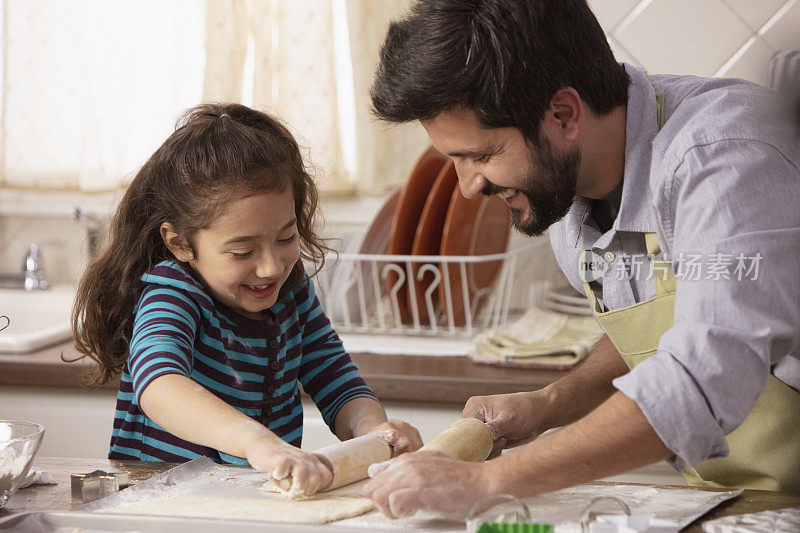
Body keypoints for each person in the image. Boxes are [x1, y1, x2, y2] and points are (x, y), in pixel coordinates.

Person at [364, 0, 800, 518]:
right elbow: (670, 323)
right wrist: (548, 405)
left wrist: (487, 481)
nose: (467, 186)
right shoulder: (569, 198)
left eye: (481, 155)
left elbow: (706, 374)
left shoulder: (723, 159)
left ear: (564, 114)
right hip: (737, 499)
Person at [71, 103, 422, 497]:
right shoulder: (173, 291)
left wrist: (375, 433)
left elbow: (335, 377)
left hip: (249, 498)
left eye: (286, 238)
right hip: (162, 504)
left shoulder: (292, 292)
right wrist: (258, 442)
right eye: (242, 252)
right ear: (179, 242)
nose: (272, 267)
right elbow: (160, 383)